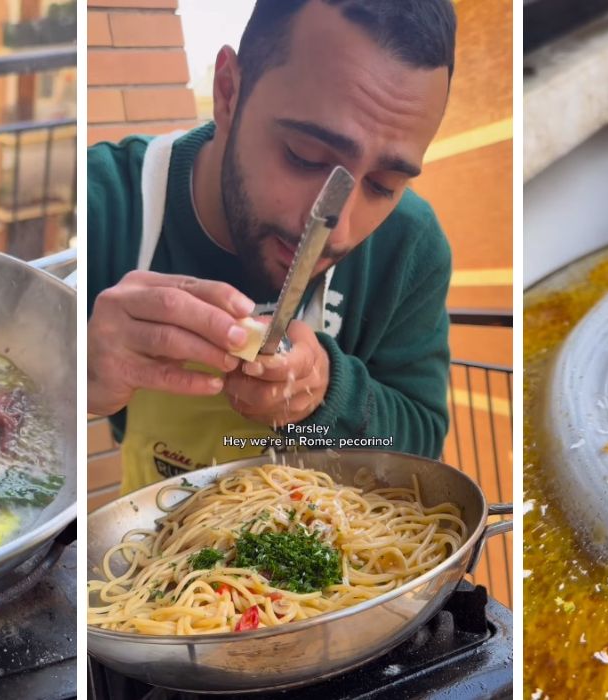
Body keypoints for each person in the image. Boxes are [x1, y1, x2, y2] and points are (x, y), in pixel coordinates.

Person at [87, 0, 457, 494]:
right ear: (228, 91)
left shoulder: (412, 247)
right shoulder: (104, 204)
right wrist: (78, 376)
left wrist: (328, 396)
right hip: (150, 541)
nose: (338, 229)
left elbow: (420, 441)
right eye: (305, 156)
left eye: (384, 185)